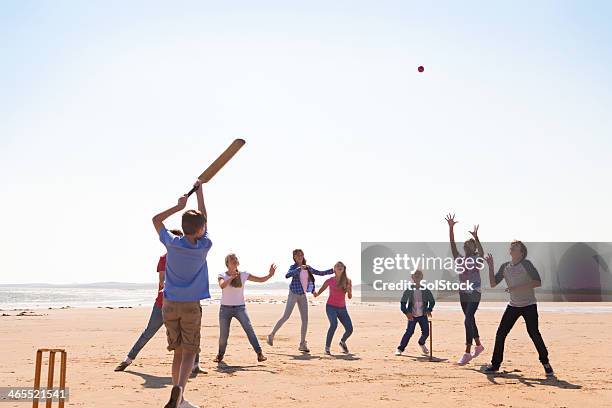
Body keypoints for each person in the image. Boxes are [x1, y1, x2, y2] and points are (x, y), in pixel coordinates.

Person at [152, 179, 211, 408]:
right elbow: (204, 222)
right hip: (190, 306)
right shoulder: (204, 245)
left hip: (169, 304)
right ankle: (179, 390)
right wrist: (200, 194)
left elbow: (156, 220)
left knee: (177, 351)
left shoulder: (172, 243)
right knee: (189, 352)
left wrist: (179, 206)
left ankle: (180, 400)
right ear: (200, 229)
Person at [114, 230, 203, 374]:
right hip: (163, 304)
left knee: (192, 334)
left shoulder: (186, 258)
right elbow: (162, 281)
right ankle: (128, 360)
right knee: (148, 332)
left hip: (185, 302)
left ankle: (195, 365)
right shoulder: (164, 258)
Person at [484, 241, 554, 377]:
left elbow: (537, 282)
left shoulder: (526, 264)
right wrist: (491, 266)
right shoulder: (505, 266)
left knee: (533, 333)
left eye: (515, 247)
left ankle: (546, 363)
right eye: (511, 246)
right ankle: (495, 365)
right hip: (513, 305)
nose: (511, 248)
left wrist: (516, 287)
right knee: (500, 334)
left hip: (529, 305)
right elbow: (493, 284)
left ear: (521, 252)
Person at [267, 249, 333, 352]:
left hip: (302, 295)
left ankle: (302, 344)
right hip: (293, 294)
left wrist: (332, 270)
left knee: (305, 320)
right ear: (294, 257)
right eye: (297, 255)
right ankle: (271, 335)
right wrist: (298, 269)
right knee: (286, 316)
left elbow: (320, 273)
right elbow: (287, 275)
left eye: (301, 255)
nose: (300, 256)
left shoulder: (308, 268)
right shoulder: (294, 267)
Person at [215, 253, 276, 363]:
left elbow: (261, 280)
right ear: (227, 263)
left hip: (240, 308)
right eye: (231, 259)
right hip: (225, 309)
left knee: (249, 330)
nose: (234, 260)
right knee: (224, 334)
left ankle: (259, 354)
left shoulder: (244, 275)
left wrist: (270, 275)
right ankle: (220, 355)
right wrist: (231, 277)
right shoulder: (222, 275)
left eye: (235, 258)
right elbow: (222, 285)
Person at [445, 213, 486, 365]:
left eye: (470, 245)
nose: (466, 247)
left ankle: (467, 352)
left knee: (467, 319)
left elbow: (482, 253)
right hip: (463, 292)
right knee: (470, 319)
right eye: (466, 245)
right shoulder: (460, 258)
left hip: (475, 292)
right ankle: (479, 345)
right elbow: (452, 244)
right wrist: (450, 228)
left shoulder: (476, 259)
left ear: (473, 247)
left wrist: (476, 238)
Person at [313, 261, 353, 355]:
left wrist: (348, 291)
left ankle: (342, 342)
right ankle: (327, 348)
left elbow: (350, 297)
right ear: (334, 269)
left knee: (350, 329)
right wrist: (314, 293)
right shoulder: (329, 280)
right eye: (337, 266)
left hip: (342, 308)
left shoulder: (348, 281)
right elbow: (318, 292)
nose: (339, 267)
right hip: (331, 307)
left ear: (343, 269)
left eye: (341, 266)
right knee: (334, 324)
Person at [395, 270, 435, 356]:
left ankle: (421, 343)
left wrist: (429, 309)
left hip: (422, 315)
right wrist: (406, 313)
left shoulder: (425, 290)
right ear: (412, 278)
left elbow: (432, 301)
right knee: (409, 332)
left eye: (418, 276)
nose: (417, 278)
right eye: (415, 276)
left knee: (426, 332)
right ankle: (400, 349)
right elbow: (403, 303)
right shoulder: (409, 290)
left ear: (421, 278)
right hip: (412, 315)